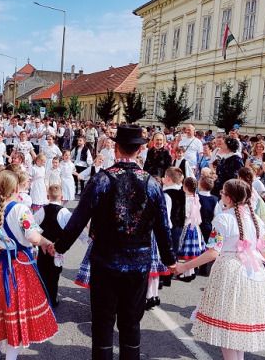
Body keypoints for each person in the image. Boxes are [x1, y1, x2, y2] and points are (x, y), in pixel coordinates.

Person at [54, 124, 176, 360]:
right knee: (131, 321)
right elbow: (163, 227)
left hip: (106, 261)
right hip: (138, 264)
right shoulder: (151, 183)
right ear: (139, 151)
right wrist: (170, 260)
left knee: (103, 321)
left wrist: (59, 247)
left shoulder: (103, 179)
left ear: (117, 148)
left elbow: (78, 219)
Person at [174, 178, 265, 360]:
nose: (221, 195)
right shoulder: (256, 221)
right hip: (254, 273)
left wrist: (184, 266)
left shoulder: (223, 219)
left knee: (227, 328)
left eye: (222, 193)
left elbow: (213, 252)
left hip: (230, 272)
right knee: (237, 329)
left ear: (228, 198)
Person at [0, 169, 58, 359]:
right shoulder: (21, 209)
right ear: (16, 187)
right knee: (13, 315)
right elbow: (32, 236)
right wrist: (47, 242)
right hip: (16, 266)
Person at [35, 184, 72, 307]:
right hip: (56, 249)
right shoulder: (65, 212)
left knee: (42, 273)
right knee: (54, 275)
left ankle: (41, 298)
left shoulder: (41, 210)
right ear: (62, 197)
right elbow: (73, 229)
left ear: (47, 196)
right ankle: (52, 298)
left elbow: (33, 226)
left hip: (42, 248)